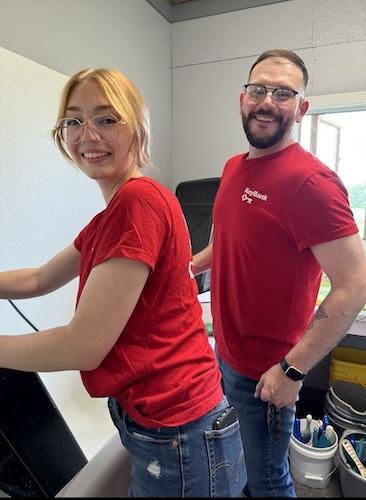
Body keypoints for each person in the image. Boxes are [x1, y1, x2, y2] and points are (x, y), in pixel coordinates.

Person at [0, 68, 245, 497]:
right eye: (73, 121)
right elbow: (39, 278)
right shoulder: (109, 218)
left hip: (179, 430)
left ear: (137, 127)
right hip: (165, 422)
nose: (86, 135)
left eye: (106, 119)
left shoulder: (138, 203)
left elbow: (83, 346)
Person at [193, 49, 366, 497]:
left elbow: (355, 285)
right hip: (226, 354)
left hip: (268, 375)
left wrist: (292, 371)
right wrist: (192, 265)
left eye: (283, 92)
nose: (267, 100)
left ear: (302, 108)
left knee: (270, 482)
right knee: (241, 469)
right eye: (258, 89)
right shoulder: (235, 167)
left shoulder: (311, 184)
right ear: (242, 98)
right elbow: (231, 240)